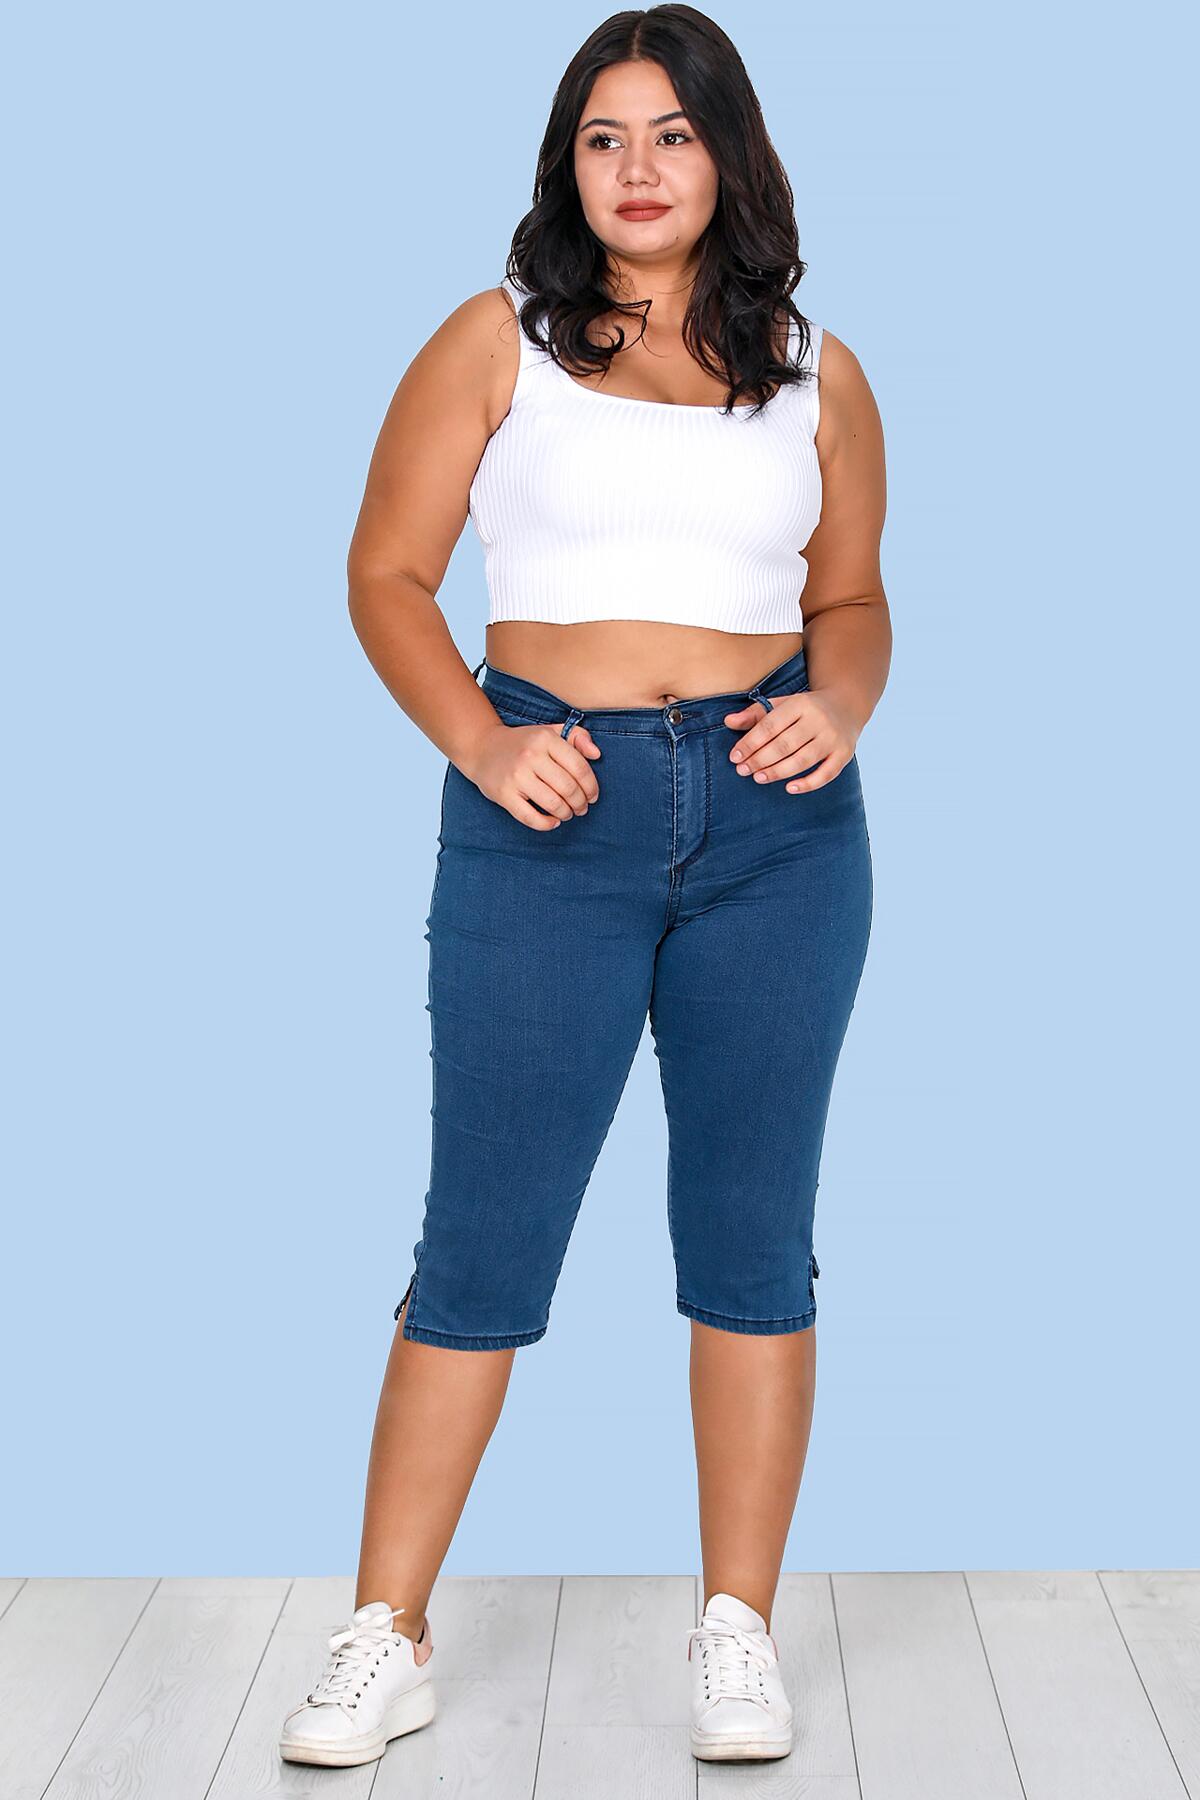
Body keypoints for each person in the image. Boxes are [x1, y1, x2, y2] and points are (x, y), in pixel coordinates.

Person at [279, 4, 889, 1773]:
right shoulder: (499, 342)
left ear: (729, 155)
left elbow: (851, 602)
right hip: (546, 818)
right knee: (483, 1233)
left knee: (753, 1234)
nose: (637, 169)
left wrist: (841, 705)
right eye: (604, 137)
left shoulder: (816, 370)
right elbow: (386, 573)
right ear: (568, 163)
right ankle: (384, 1635)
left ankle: (737, 1632)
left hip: (778, 835)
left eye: (672, 135)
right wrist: (483, 744)